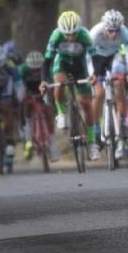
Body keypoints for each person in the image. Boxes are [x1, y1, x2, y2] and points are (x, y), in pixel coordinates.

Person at [39, 11, 100, 160]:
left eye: (74, 34)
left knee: (86, 104)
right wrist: (44, 80)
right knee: (59, 83)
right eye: (67, 35)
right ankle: (60, 113)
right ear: (61, 31)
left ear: (79, 30)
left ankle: (92, 143)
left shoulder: (85, 36)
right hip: (62, 65)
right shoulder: (56, 36)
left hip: (80, 67)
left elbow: (95, 58)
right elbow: (47, 61)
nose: (71, 38)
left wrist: (95, 74)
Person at [90, 9, 128, 161]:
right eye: (110, 31)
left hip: (114, 56)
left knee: (119, 83)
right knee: (98, 92)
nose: (114, 34)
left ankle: (122, 122)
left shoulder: (124, 32)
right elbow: (87, 56)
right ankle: (95, 128)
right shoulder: (95, 33)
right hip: (97, 57)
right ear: (104, 27)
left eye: (116, 30)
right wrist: (92, 74)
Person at [18, 50, 58, 161]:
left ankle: (53, 144)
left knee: (48, 111)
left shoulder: (47, 69)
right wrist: (22, 97)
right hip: (29, 91)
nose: (35, 72)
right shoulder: (22, 70)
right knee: (25, 106)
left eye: (38, 69)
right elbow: (19, 86)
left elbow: (52, 85)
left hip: (42, 91)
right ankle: (27, 137)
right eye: (33, 70)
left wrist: (50, 96)